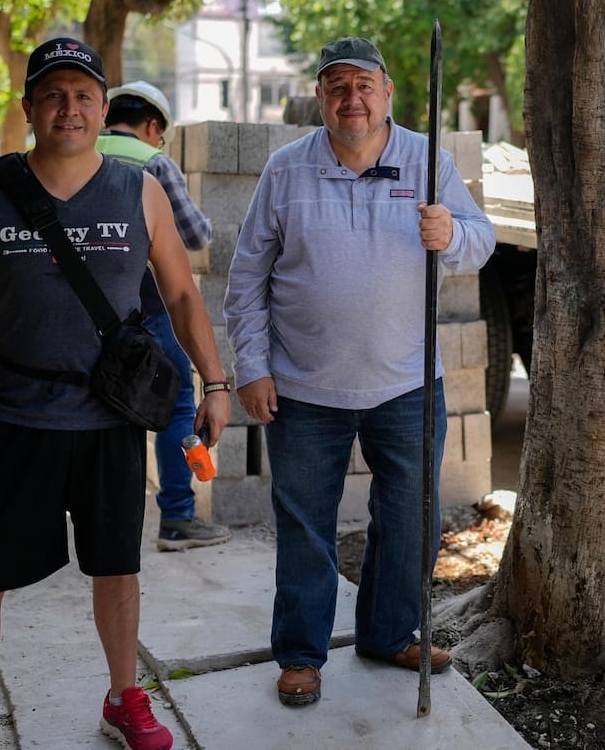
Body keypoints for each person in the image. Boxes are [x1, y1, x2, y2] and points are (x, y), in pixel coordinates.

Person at [0, 38, 232, 750]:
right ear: (29, 109)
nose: (67, 108)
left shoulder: (139, 191)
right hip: (12, 420)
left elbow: (182, 295)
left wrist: (215, 380)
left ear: (102, 110)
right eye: (52, 95)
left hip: (110, 420)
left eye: (82, 95)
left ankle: (123, 695)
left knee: (119, 567)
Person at [225, 36, 493, 708]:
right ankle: (301, 655)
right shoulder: (286, 170)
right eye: (337, 86)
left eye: (364, 85)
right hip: (304, 385)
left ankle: (388, 632)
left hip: (406, 382)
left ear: (388, 92)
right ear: (320, 96)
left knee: (412, 519)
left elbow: (480, 240)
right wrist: (251, 367)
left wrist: (451, 236)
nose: (352, 99)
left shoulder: (428, 161)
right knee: (306, 525)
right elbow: (247, 275)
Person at [97, 79, 230, 552]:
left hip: (81, 315)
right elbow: (194, 236)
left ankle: (91, 515)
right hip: (146, 311)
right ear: (152, 126)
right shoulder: (154, 162)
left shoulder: (73, 152)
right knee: (174, 404)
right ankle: (176, 518)